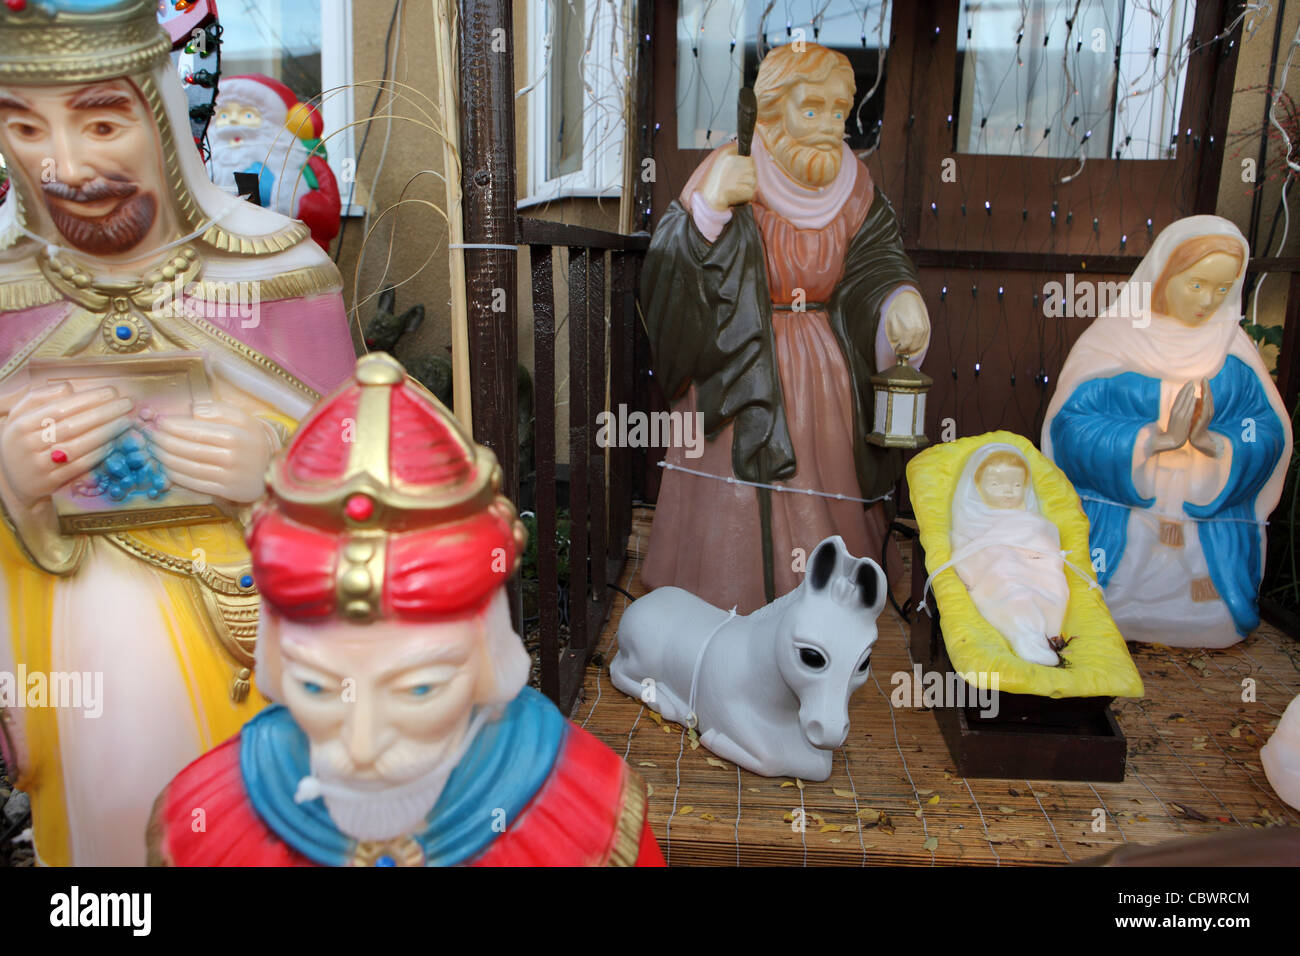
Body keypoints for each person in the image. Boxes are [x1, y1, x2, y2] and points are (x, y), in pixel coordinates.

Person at [0, 0, 356, 865]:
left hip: (247, 647)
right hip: (72, 656)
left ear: (158, 114)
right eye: (23, 125)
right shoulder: (10, 291)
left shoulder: (277, 273)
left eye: (100, 120)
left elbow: (372, 476)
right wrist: (12, 483)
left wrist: (275, 474)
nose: (65, 166)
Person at [149, 353, 664, 867]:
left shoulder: (586, 820)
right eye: (317, 687)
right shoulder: (208, 824)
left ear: (489, 657)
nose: (363, 746)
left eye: (420, 688)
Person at [640, 42, 931, 614]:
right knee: (735, 496)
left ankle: (830, 597)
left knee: (830, 482)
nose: (829, 127)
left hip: (826, 371)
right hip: (737, 360)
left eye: (840, 113)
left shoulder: (856, 187)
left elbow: (877, 262)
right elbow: (668, 270)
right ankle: (726, 596)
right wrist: (708, 211)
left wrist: (900, 298)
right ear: (771, 111)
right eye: (812, 109)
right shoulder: (731, 165)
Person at [1043, 216, 1292, 647]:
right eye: (1196, 284)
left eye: (1223, 288)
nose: (1208, 301)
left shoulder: (1234, 355)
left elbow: (1266, 432)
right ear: (1163, 275)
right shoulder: (1112, 343)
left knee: (1207, 606)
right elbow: (1071, 426)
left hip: (1205, 536)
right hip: (1121, 525)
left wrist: (1217, 445)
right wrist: (1149, 442)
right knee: (1106, 602)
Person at [949, 445, 1071, 667]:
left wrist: (1040, 557)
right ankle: (1024, 635)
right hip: (998, 565)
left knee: (1053, 584)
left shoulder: (1030, 520)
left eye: (1016, 485)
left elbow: (1047, 546)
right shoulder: (972, 518)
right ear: (977, 485)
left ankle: (1044, 633)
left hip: (1034, 566)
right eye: (996, 484)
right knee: (1008, 580)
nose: (1007, 491)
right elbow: (965, 550)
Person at [209, 74, 342, 250]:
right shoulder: (208, 168)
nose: (233, 122)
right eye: (223, 116)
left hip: (292, 254)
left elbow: (328, 221)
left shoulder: (299, 162)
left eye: (248, 115)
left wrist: (309, 208)